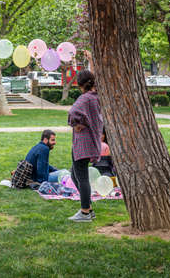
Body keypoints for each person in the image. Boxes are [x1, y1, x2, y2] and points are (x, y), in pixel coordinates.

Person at [67, 50, 103, 222]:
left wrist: (76, 123)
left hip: (83, 142)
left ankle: (85, 212)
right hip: (91, 141)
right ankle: (88, 207)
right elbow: (95, 78)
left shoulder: (85, 99)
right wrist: (91, 60)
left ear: (79, 85)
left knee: (81, 178)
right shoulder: (96, 94)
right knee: (75, 175)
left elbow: (72, 111)